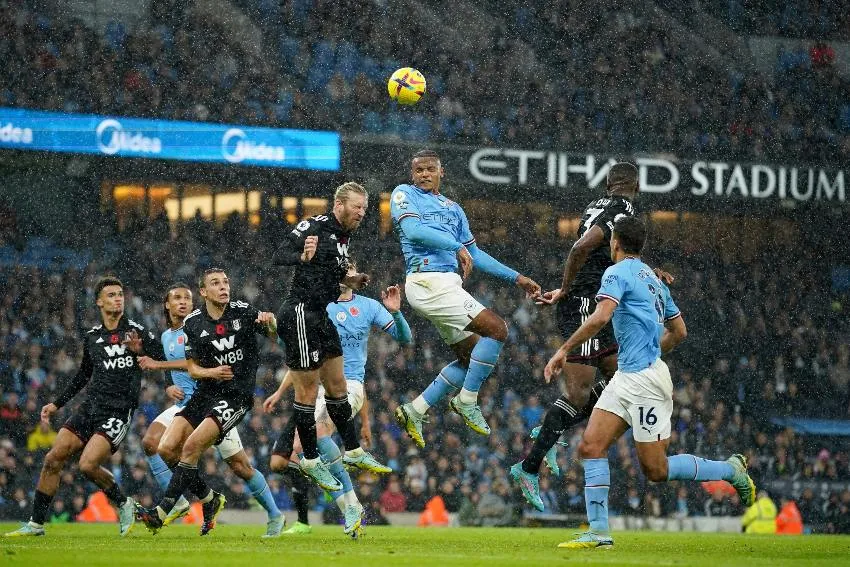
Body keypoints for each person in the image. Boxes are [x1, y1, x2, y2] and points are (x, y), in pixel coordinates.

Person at [541, 217, 756, 549]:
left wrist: (564, 350)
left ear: (614, 242)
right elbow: (679, 331)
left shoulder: (616, 273)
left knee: (656, 470)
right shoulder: (654, 280)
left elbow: (601, 316)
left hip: (644, 382)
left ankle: (731, 470)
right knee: (590, 447)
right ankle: (599, 532)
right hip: (628, 376)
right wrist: (650, 352)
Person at [512, 163, 650, 486]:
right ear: (637, 187)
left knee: (622, 380)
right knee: (578, 395)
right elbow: (581, 247)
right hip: (586, 304)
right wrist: (567, 288)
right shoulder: (625, 208)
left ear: (607, 184)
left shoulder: (594, 205)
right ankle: (529, 467)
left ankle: (553, 427)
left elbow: (607, 253)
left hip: (597, 300)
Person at [392, 149, 541, 445]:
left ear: (441, 172)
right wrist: (455, 246)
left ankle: (415, 409)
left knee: (470, 358)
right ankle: (467, 401)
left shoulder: (454, 209)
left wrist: (517, 278)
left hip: (446, 284)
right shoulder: (404, 193)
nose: (424, 174)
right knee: (497, 330)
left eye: (430, 169)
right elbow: (413, 230)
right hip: (427, 280)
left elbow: (475, 254)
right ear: (412, 174)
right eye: (419, 170)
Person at [4, 276, 164, 537]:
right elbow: (83, 375)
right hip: (90, 408)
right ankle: (36, 524)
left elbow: (164, 358)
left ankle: (124, 503)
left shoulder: (136, 331)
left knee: (87, 465)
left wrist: (140, 352)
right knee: (53, 458)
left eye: (120, 294)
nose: (118, 299)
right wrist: (57, 404)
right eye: (111, 295)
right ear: (99, 302)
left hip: (117, 411)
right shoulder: (93, 336)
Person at [264, 263, 413, 537]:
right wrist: (275, 329)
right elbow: (296, 349)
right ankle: (352, 506)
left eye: (349, 267)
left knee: (315, 438)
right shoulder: (318, 306)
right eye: (339, 268)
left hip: (350, 385)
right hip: (316, 387)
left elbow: (406, 337)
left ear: (354, 273)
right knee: (297, 450)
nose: (344, 272)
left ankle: (349, 502)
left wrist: (396, 312)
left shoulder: (368, 306)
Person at [135, 269, 277, 536]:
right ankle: (209, 498)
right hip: (203, 395)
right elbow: (193, 367)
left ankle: (163, 510)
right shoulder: (191, 325)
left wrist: (270, 323)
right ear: (204, 292)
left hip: (234, 397)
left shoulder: (243, 311)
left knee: (236, 465)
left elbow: (272, 335)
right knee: (164, 448)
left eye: (226, 282)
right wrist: (205, 374)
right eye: (216, 283)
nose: (224, 287)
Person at [272, 182, 390, 491]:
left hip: (320, 315)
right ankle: (311, 460)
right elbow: (280, 255)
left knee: (338, 386)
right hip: (300, 312)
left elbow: (331, 271)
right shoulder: (315, 225)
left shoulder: (343, 236)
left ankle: (353, 451)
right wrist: (303, 257)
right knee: (308, 393)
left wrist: (352, 279)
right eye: (357, 207)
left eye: (365, 208)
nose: (362, 213)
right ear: (339, 205)